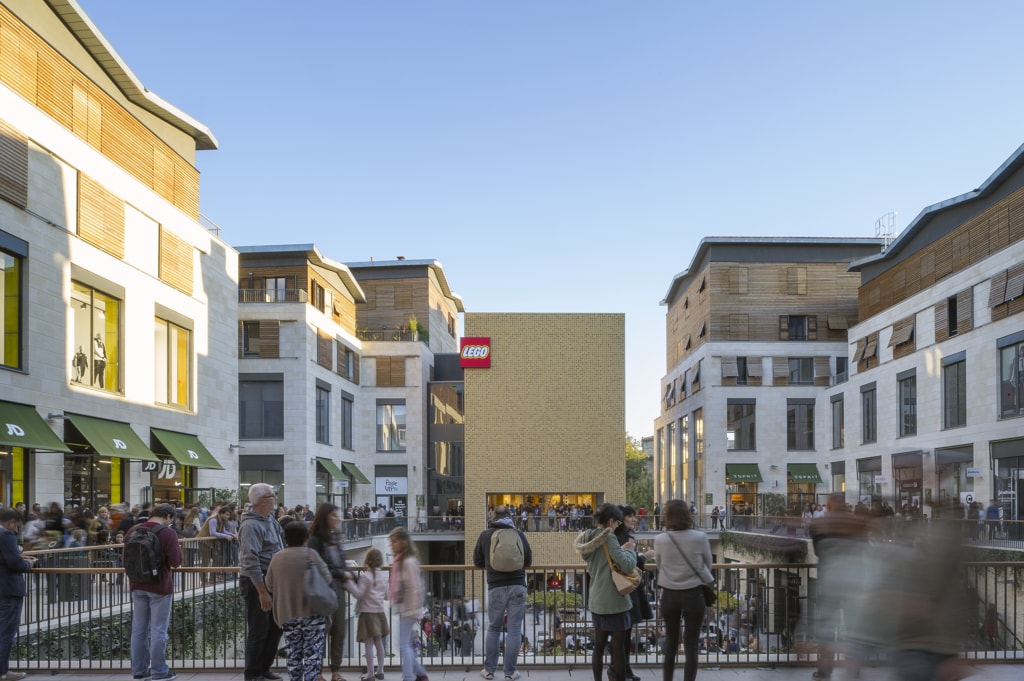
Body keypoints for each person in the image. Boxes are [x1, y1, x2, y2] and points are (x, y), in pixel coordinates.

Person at [808, 493, 869, 681]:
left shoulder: (820, 524)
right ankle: (854, 668)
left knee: (827, 628)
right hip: (854, 582)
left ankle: (825, 670)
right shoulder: (857, 523)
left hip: (829, 582)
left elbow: (818, 551)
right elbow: (864, 547)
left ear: (828, 505)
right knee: (853, 628)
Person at [573, 503, 636, 681]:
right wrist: (630, 550)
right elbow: (628, 565)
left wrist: (621, 552)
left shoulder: (588, 537)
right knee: (618, 648)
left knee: (599, 646)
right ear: (610, 521)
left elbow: (604, 558)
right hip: (615, 600)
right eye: (617, 523)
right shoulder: (609, 537)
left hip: (597, 600)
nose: (618, 526)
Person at [653, 499, 712, 681]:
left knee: (671, 643)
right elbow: (707, 564)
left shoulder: (660, 539)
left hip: (669, 595)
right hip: (694, 594)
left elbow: (659, 565)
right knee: (691, 644)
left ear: (667, 517)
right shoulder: (700, 537)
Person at [472, 505, 532, 681]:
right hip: (517, 586)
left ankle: (489, 670)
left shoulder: (485, 535)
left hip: (496, 587)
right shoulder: (519, 535)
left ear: (493, 516)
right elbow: (528, 561)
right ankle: (510, 672)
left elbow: (476, 561)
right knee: (514, 629)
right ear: (510, 517)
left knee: (494, 627)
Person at [266, 521, 330, 681]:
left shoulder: (277, 558)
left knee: (294, 653)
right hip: (313, 613)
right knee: (312, 655)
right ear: (306, 537)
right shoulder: (311, 555)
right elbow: (327, 578)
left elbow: (269, 585)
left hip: (288, 614)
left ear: (285, 537)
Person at [125, 504, 182, 681]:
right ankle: (159, 671)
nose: (171, 522)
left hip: (137, 584)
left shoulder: (132, 531)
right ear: (167, 516)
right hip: (159, 587)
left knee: (138, 630)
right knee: (158, 630)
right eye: (171, 519)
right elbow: (176, 561)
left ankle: (139, 671)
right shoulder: (167, 533)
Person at [239, 483, 286, 681]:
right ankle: (253, 673)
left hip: (273, 580)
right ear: (263, 500)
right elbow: (250, 560)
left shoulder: (270, 520)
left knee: (275, 628)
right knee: (259, 629)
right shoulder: (251, 525)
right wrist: (262, 591)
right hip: (257, 582)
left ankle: (264, 668)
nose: (276, 498)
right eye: (272, 495)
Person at [307, 503, 349, 681]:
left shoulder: (335, 538)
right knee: (322, 632)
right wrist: (342, 573)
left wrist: (348, 574)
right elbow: (318, 567)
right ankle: (317, 672)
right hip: (322, 593)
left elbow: (341, 562)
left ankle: (335, 671)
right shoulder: (315, 540)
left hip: (338, 591)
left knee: (339, 631)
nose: (337, 519)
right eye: (333, 516)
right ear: (325, 518)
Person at [613, 506, 654, 681]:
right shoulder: (618, 537)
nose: (634, 519)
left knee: (626, 632)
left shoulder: (622, 536)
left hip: (627, 588)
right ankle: (620, 670)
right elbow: (627, 562)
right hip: (625, 589)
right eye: (630, 516)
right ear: (621, 518)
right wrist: (645, 556)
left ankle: (623, 669)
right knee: (624, 632)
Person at [387, 527, 428, 681]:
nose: (392, 545)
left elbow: (414, 587)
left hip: (409, 609)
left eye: (395, 541)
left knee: (403, 645)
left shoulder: (408, 562)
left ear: (403, 543)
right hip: (406, 607)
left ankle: (410, 677)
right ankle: (420, 673)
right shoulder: (400, 561)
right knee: (404, 644)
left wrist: (411, 609)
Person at [0, 509, 35, 681]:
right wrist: (28, 564)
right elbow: (15, 563)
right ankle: (3, 672)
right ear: (11, 522)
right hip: (8, 590)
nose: (17, 529)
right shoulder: (6, 535)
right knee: (6, 633)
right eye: (17, 525)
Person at [344, 548, 389, 681]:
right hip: (380, 612)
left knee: (368, 644)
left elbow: (358, 594)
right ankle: (380, 670)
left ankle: (370, 674)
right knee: (379, 642)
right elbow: (386, 595)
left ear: (367, 560)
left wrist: (348, 583)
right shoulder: (384, 576)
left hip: (367, 613)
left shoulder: (365, 576)